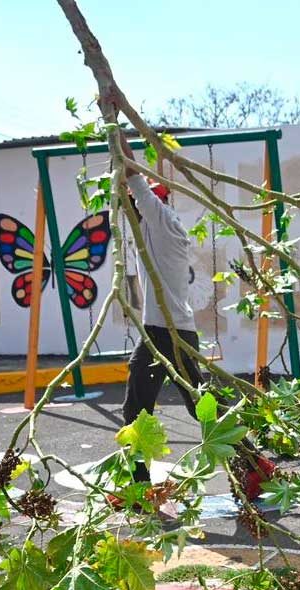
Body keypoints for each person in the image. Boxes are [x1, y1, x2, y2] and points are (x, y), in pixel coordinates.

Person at [118, 142, 272, 496]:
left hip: (162, 332)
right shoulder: (162, 228)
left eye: (137, 203)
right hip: (175, 331)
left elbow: (131, 173)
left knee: (137, 409)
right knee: (202, 407)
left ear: (150, 203)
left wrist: (114, 126)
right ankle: (257, 464)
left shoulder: (158, 221)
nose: (133, 208)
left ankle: (139, 490)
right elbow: (131, 201)